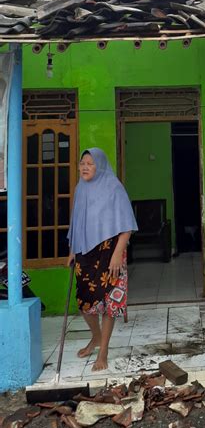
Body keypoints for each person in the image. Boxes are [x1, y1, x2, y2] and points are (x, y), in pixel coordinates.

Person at [66, 148, 138, 371]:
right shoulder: (80, 189)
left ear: (100, 165)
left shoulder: (114, 187)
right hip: (85, 252)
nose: (85, 167)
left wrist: (118, 253)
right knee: (85, 302)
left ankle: (103, 351)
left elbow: (126, 224)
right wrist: (72, 249)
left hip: (111, 252)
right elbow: (76, 222)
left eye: (90, 163)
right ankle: (95, 337)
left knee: (109, 304)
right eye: (82, 163)